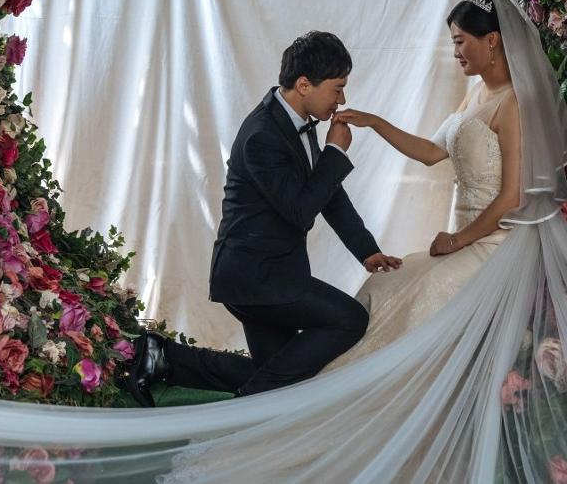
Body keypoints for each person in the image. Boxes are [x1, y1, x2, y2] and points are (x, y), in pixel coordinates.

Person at [126, 32, 402, 405]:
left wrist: (366, 250)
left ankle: (163, 356)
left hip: (269, 272)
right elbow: (300, 211)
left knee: (278, 375)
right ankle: (243, 406)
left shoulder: (295, 121)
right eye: (337, 89)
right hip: (254, 277)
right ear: (304, 85)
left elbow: (327, 194)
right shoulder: (263, 135)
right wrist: (336, 152)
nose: (342, 100)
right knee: (349, 319)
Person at [322, 0, 543, 372]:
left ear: (492, 40)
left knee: (425, 293)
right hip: (463, 239)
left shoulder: (514, 103)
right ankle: (339, 375)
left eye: (460, 41)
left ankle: (383, 385)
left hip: (497, 243)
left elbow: (511, 198)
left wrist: (457, 240)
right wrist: (374, 122)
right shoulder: (477, 93)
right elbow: (431, 152)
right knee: (384, 285)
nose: (455, 52)